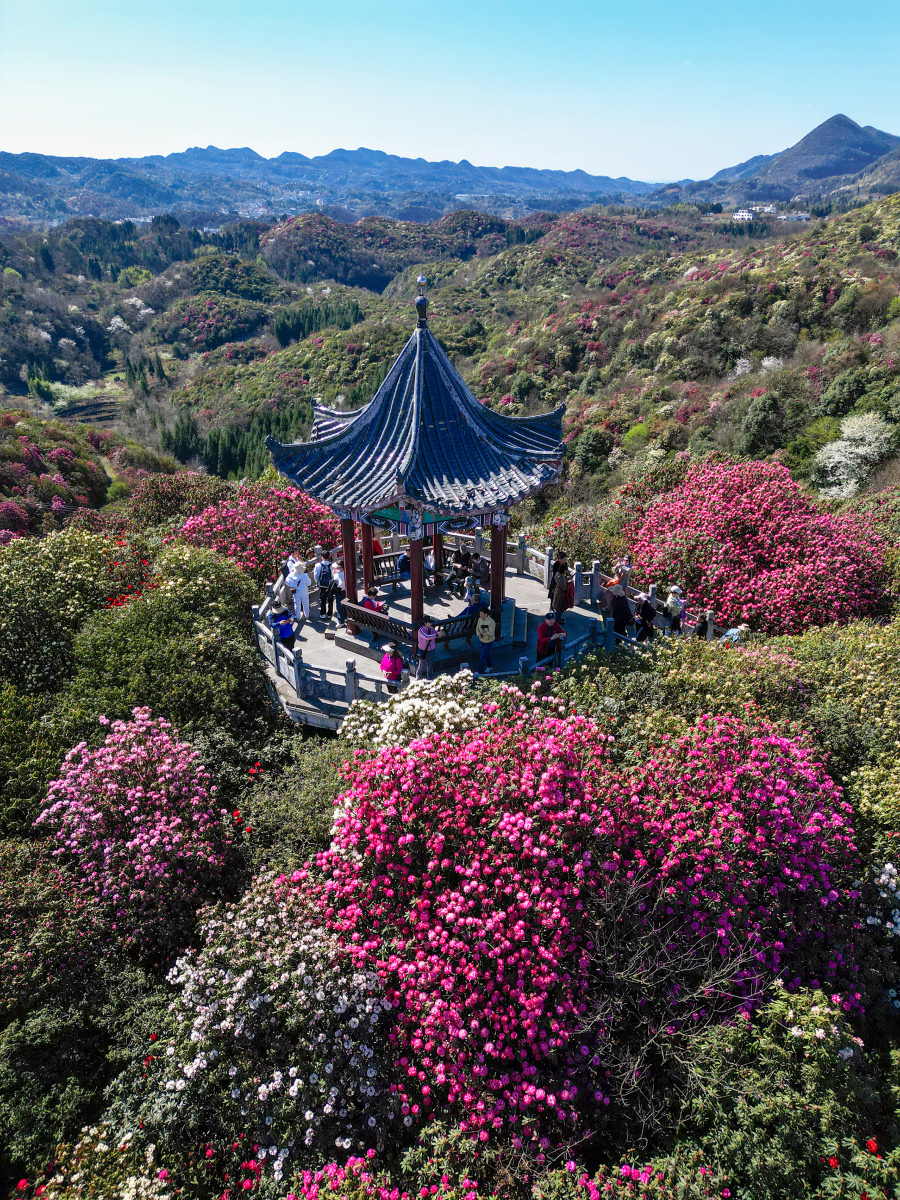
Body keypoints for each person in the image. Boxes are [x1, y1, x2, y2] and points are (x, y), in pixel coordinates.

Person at [474, 604, 496, 673]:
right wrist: (478, 634)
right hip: (482, 640)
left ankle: (479, 671)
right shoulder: (480, 619)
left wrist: (486, 632)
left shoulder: (491, 622)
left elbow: (492, 633)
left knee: (482, 656)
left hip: (489, 641)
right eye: (480, 614)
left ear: (486, 614)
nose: (480, 615)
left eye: (482, 614)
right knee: (486, 654)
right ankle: (490, 666)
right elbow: (477, 628)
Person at [314, 552, 335, 618]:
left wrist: (318, 583)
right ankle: (329, 614)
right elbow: (333, 576)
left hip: (322, 586)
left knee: (322, 600)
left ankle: (322, 614)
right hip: (329, 586)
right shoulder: (331, 566)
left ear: (322, 557)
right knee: (330, 600)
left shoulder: (318, 565)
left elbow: (315, 576)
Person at [331, 558, 347, 626]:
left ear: (340, 567)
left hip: (340, 591)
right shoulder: (341, 573)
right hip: (343, 591)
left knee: (339, 606)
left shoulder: (341, 574)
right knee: (342, 606)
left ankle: (341, 621)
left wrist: (336, 586)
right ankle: (344, 617)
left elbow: (341, 584)